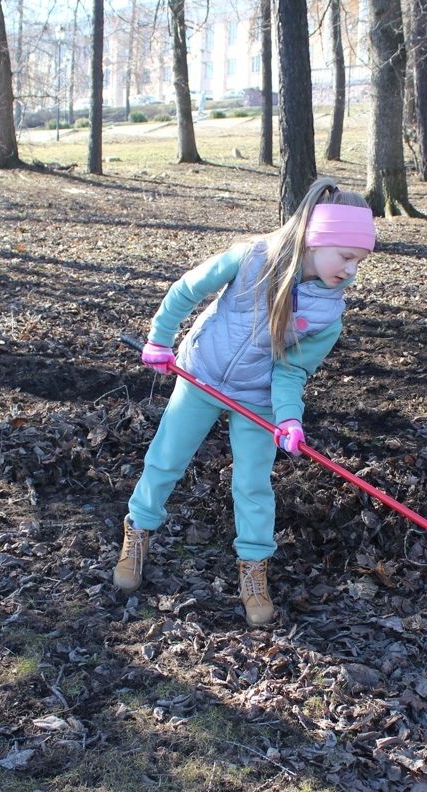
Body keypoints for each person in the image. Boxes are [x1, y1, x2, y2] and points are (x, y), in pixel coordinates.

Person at [116, 178, 376, 626]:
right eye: (347, 256)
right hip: (201, 373)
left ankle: (253, 570)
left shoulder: (328, 315)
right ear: (317, 240)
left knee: (253, 485)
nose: (351, 270)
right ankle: (137, 533)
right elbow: (186, 290)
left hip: (258, 397)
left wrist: (291, 419)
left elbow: (292, 370)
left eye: (360, 261)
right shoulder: (253, 257)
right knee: (166, 459)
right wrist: (160, 339)